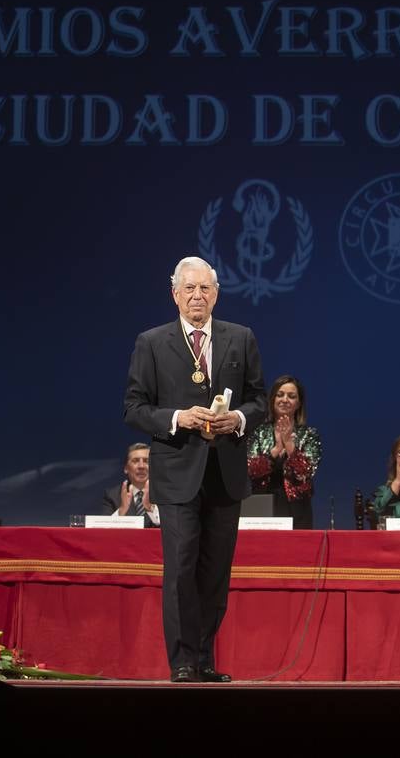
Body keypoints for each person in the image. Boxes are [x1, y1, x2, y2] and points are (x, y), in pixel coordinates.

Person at [124, 256, 266, 683]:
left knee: (215, 572)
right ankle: (183, 661)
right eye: (189, 289)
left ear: (216, 293)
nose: (197, 296)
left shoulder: (241, 338)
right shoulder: (151, 342)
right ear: (174, 294)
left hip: (225, 473)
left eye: (204, 288)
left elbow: (258, 400)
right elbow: (134, 408)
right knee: (181, 569)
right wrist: (177, 418)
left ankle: (204, 658)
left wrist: (238, 419)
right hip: (177, 473)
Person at [246, 374, 322, 529]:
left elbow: (305, 472)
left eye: (291, 396)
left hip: (297, 508)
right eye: (280, 395)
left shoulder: (309, 434)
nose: (285, 399)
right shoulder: (258, 432)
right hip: (261, 505)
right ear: (273, 399)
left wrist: (289, 445)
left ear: (299, 403)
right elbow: (250, 470)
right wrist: (275, 451)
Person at [102, 442, 160, 528]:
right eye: (135, 461)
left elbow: (174, 528)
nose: (141, 466)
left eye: (146, 461)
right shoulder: (112, 496)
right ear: (126, 468)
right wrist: (121, 511)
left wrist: (151, 510)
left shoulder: (165, 494)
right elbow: (102, 531)